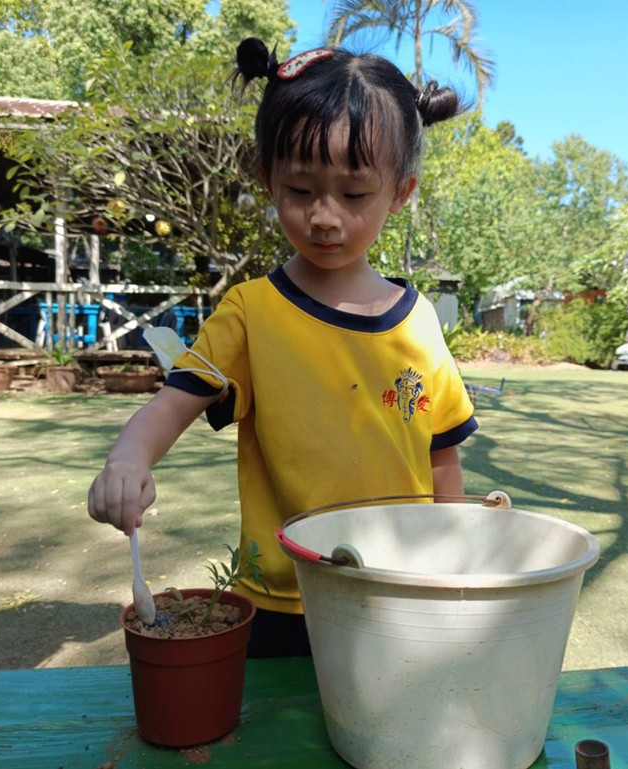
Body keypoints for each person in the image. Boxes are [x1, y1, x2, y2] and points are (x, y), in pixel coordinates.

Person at [87, 37, 478, 657]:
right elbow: (170, 405)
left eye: (354, 195)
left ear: (400, 193)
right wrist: (128, 460)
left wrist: (455, 561)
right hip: (281, 604)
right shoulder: (251, 313)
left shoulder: (419, 323)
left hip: (398, 595)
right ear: (268, 180)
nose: (325, 216)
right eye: (300, 189)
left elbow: (440, 458)